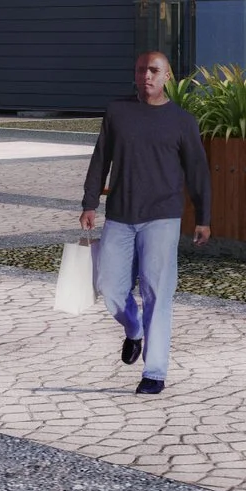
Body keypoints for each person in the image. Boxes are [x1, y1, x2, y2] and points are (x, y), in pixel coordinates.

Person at [78, 52, 210, 394]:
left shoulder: (182, 121)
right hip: (120, 215)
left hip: (162, 218)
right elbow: (100, 157)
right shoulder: (118, 112)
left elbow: (198, 173)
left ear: (167, 76)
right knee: (109, 287)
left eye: (154, 70)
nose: (146, 76)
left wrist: (203, 217)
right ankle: (133, 329)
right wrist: (90, 202)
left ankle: (155, 371)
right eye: (141, 70)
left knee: (157, 293)